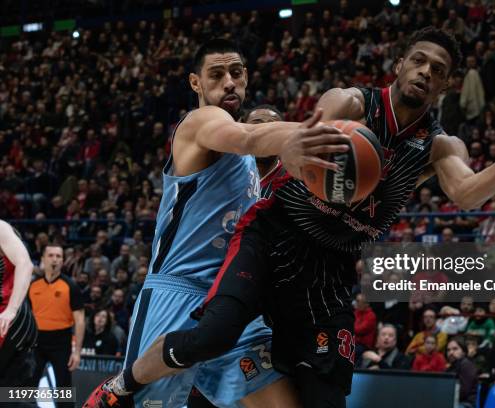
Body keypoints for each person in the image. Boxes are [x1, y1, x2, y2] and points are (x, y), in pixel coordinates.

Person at [89, 27, 495, 408]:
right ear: (399, 64)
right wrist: (301, 141)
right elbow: (256, 135)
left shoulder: (437, 145)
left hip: (325, 271)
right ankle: (119, 386)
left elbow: (465, 191)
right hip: (216, 271)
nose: (425, 72)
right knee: (202, 347)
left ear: (447, 85)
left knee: (313, 393)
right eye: (419, 61)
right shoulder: (212, 121)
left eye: (438, 70)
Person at [86, 38, 346, 408]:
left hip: (229, 301)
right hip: (177, 294)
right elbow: (249, 136)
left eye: (236, 73)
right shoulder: (201, 122)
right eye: (217, 74)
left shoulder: (253, 170)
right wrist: (319, 133)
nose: (228, 82)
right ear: (195, 83)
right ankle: (118, 387)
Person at [29, 244, 84, 408]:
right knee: (28, 386)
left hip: (61, 341)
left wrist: (77, 352)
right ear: (43, 259)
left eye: (58, 256)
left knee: (64, 389)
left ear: (63, 261)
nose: (54, 259)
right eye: (51, 255)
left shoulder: (70, 286)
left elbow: (80, 320)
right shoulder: (33, 286)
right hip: (36, 341)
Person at [0, 220, 37, 387]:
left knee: (10, 397)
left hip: (11, 321)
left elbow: (25, 264)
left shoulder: (1, 228)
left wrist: (11, 310)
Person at [446, 338, 478, 408]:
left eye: (455, 349)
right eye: (448, 350)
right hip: (451, 402)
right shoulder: (449, 368)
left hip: (465, 404)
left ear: (463, 352)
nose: (451, 352)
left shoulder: (467, 365)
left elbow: (463, 392)